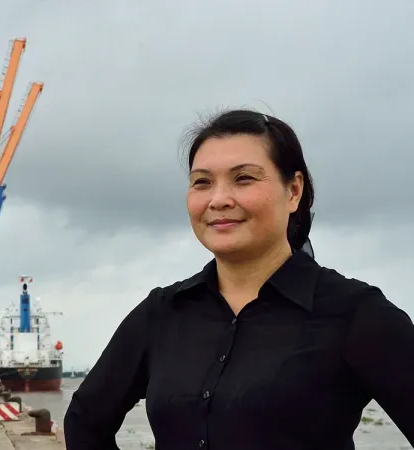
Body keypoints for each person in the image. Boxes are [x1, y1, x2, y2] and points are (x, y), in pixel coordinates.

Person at [63, 109, 414, 449]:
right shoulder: (162, 313)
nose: (218, 200)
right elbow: (85, 421)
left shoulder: (355, 314)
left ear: (293, 191)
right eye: (202, 182)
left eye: (244, 178)